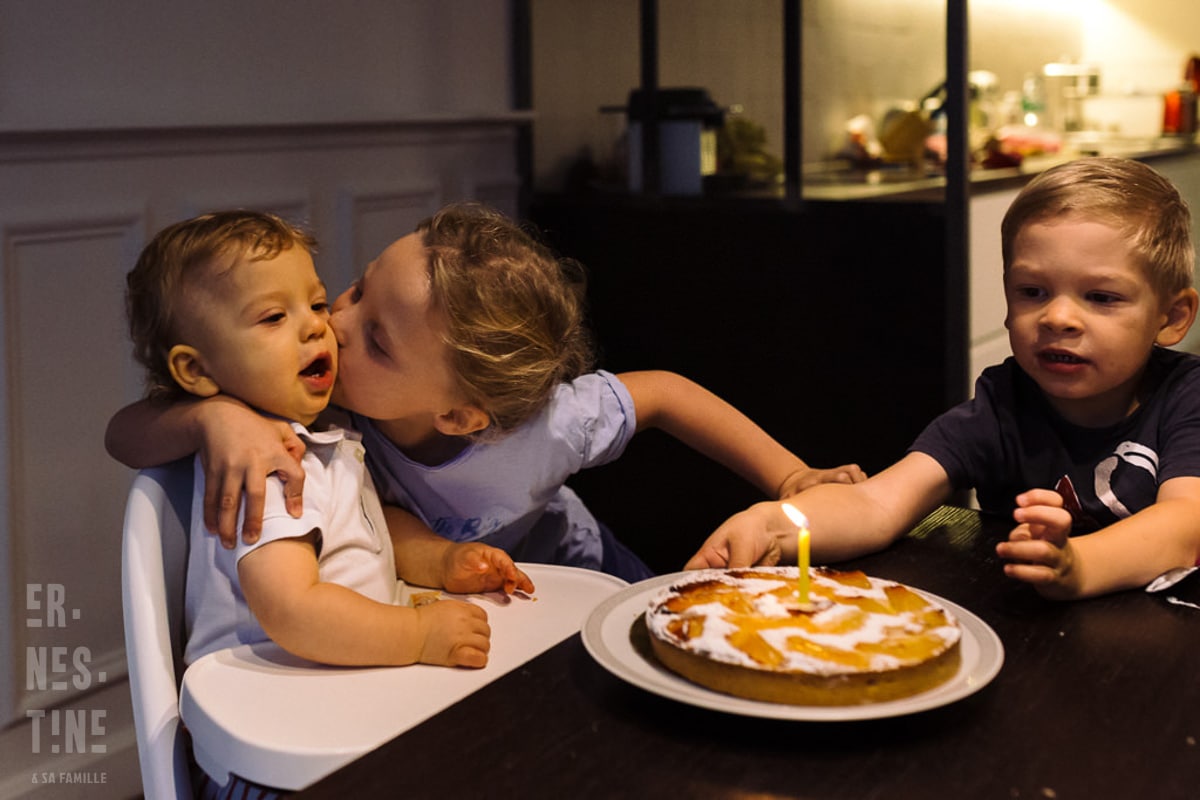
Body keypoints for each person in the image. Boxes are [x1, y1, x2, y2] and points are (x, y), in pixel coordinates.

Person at [108, 203, 866, 582]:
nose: (333, 322)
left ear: (459, 414)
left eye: (376, 338)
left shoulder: (547, 425)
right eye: (357, 290)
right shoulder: (320, 407)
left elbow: (666, 393)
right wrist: (212, 418)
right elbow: (125, 434)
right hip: (458, 599)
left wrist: (791, 476)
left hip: (583, 572)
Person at [686, 157, 1200, 601]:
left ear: (1173, 317)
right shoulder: (1001, 405)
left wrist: (1078, 566)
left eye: (1102, 297)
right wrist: (773, 523)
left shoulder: (1187, 398)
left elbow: (1184, 524)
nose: (1057, 318)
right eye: (1033, 291)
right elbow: (876, 503)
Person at [124, 209, 531, 673]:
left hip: (328, 678)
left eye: (316, 304)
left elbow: (368, 528)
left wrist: (443, 559)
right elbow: (292, 609)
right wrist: (418, 636)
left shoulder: (320, 430)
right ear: (196, 369)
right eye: (274, 316)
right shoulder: (264, 461)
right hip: (271, 696)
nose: (319, 326)